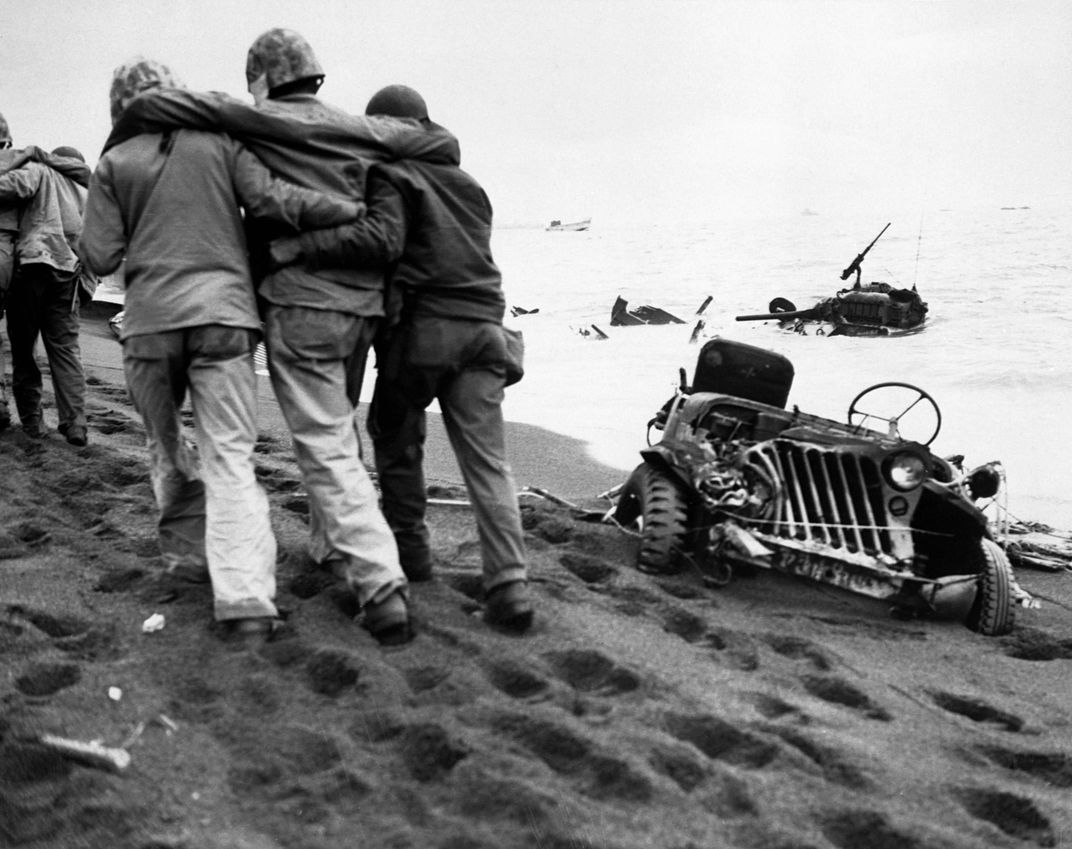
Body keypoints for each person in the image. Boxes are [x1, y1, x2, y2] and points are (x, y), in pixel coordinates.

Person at [102, 30, 462, 645]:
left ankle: (353, 579)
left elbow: (108, 240)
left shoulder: (244, 120)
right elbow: (436, 143)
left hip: (268, 308)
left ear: (262, 79)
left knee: (283, 443)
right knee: (323, 432)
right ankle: (320, 566)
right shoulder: (344, 128)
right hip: (349, 308)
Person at [79, 57, 366, 644]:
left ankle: (188, 560)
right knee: (231, 457)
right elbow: (271, 202)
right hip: (226, 321)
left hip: (151, 325)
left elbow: (100, 256)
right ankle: (245, 600)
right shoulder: (219, 142)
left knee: (164, 446)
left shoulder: (115, 161)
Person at [268, 85, 534, 632]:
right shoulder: (471, 185)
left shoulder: (393, 176)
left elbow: (384, 243)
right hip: (487, 330)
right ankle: (510, 587)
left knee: (394, 435)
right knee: (488, 464)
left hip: (425, 334)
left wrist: (303, 248)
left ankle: (411, 559)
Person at [0, 135, 92, 445]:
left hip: (33, 267)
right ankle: (75, 423)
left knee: (25, 351)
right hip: (69, 276)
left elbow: (14, 187)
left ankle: (33, 423)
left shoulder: (42, 171)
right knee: (65, 351)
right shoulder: (87, 192)